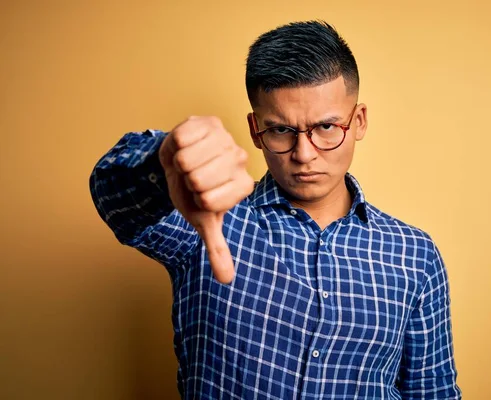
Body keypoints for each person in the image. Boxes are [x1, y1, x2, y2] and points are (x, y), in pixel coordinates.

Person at [89, 20, 461, 400]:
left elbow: (433, 392)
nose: (304, 153)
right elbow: (117, 200)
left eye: (327, 126)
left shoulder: (414, 255)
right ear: (255, 130)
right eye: (281, 130)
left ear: (358, 121)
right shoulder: (207, 221)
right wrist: (162, 161)